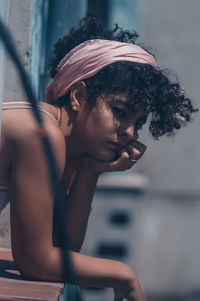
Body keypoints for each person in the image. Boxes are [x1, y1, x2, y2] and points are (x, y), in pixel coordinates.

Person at [0, 17, 197, 301]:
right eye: (119, 111)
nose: (130, 132)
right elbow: (36, 262)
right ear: (78, 96)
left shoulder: (53, 136)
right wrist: (124, 275)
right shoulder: (41, 135)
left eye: (138, 123)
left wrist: (91, 172)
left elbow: (59, 248)